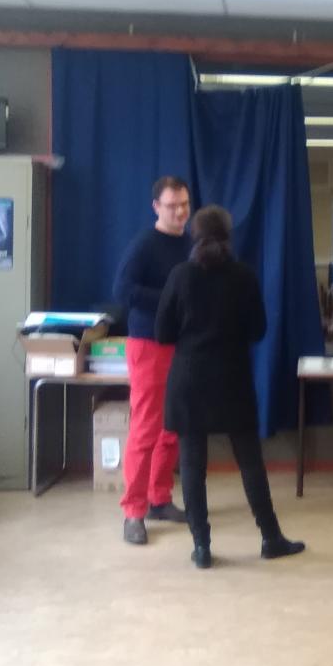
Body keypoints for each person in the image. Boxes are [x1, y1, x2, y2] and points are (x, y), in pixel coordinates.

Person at [155, 206, 305, 568]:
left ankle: (202, 547)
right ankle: (271, 538)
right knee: (251, 463)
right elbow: (258, 330)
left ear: (194, 235)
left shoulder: (180, 275)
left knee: (192, 466)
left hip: (189, 380)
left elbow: (162, 333)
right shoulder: (244, 277)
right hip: (232, 380)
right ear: (228, 235)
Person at [112, 176, 191, 545]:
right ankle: (134, 510)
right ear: (156, 207)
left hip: (182, 345)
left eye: (184, 204)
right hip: (148, 345)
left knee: (171, 427)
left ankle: (160, 498)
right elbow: (123, 290)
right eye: (172, 205)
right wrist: (170, 299)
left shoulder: (191, 244)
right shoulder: (144, 244)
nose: (180, 212)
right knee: (146, 428)